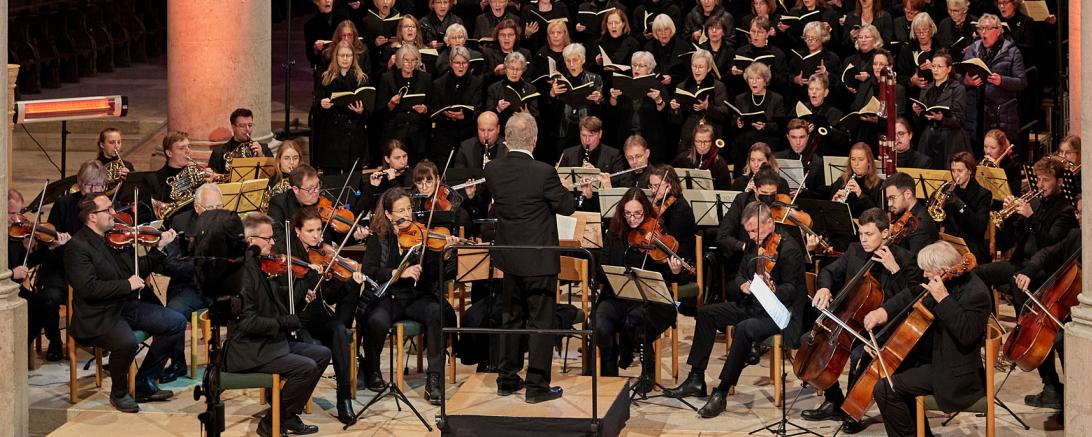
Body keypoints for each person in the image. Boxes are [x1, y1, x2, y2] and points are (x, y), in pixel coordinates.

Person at [664, 201, 807, 418]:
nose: (750, 236)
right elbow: (739, 275)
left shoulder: (790, 249)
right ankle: (696, 379)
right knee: (706, 313)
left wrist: (772, 288)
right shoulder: (754, 243)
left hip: (781, 314)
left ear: (770, 222)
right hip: (754, 305)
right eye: (747, 231)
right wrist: (742, 284)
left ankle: (721, 392)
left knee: (743, 328)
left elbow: (792, 290)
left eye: (753, 230)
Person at [801, 208, 922, 433]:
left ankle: (852, 410)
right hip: (853, 321)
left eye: (869, 234)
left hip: (886, 329)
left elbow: (910, 298)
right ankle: (835, 400)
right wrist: (825, 287)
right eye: (861, 234)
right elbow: (828, 270)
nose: (863, 240)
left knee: (858, 355)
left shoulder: (905, 259)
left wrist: (894, 270)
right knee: (809, 340)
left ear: (885, 233)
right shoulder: (855, 251)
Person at [484, 112, 576, 403]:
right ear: (534, 141)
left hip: (510, 259)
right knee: (540, 323)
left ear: (506, 140)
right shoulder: (543, 172)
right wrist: (568, 189)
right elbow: (567, 206)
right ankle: (536, 387)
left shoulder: (493, 170)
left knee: (511, 318)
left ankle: (506, 379)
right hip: (538, 260)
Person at [65, 193, 185, 412]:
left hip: (125, 306)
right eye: (108, 209)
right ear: (92, 216)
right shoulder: (77, 247)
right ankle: (119, 393)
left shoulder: (115, 238)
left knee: (176, 322)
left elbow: (136, 269)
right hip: (98, 314)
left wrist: (158, 249)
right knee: (127, 342)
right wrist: (126, 286)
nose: (114, 213)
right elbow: (88, 289)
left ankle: (144, 381)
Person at [863, 241, 991, 437]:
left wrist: (943, 299)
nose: (924, 275)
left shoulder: (977, 293)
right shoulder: (947, 279)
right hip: (937, 357)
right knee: (892, 371)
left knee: (886, 389)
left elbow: (966, 335)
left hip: (956, 373)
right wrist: (883, 311)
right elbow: (911, 293)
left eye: (927, 271)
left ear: (943, 270)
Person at [224, 211, 330, 437]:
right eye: (268, 238)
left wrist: (303, 284)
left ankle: (288, 415)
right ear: (251, 241)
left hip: (269, 343)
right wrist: (285, 322)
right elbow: (247, 323)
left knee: (321, 354)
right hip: (249, 349)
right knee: (306, 367)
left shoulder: (260, 266)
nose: (273, 242)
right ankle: (272, 423)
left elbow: (277, 297)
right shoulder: (242, 273)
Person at [358, 187, 459, 404]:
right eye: (400, 210)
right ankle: (372, 369)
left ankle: (434, 380)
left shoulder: (421, 235)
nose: (407, 214)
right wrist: (396, 272)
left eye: (408, 208)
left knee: (436, 312)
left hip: (416, 296)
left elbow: (433, 276)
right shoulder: (379, 238)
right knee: (376, 320)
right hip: (389, 297)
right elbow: (369, 270)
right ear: (388, 214)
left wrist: (445, 255)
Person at [275, 207, 369, 422]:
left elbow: (331, 296)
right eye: (310, 231)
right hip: (296, 317)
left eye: (319, 229)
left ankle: (343, 398)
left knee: (339, 331)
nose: (317, 235)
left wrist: (350, 283)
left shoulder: (322, 255)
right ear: (297, 231)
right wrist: (306, 282)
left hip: (317, 314)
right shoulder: (288, 253)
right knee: (315, 350)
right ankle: (289, 406)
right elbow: (283, 295)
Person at [976, 157, 1076, 312]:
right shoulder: (1035, 203)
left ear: (1060, 182)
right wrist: (1009, 218)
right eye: (1038, 179)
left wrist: (1031, 217)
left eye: (1046, 180)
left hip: (1044, 268)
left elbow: (1049, 244)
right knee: (978, 273)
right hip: (1021, 262)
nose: (1040, 185)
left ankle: (1021, 327)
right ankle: (989, 320)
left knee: (1016, 282)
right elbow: (1006, 243)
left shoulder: (1065, 211)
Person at [1012, 198, 1080, 412]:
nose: (1077, 217)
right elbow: (1048, 252)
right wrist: (1029, 271)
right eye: (1077, 212)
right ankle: (1055, 388)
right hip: (1072, 305)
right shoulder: (1077, 235)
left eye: (1081, 213)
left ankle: (1078, 393)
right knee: (1049, 334)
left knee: (1060, 337)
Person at [9, 189, 71, 361]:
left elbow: (28, 263)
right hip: (4, 291)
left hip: (16, 290)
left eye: (19, 213)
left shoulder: (16, 235)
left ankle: (19, 348)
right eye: (11, 213)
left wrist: (51, 247)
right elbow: (10, 268)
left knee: (46, 304)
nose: (17, 219)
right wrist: (12, 272)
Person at [961, 13, 1027, 144]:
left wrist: (1001, 80)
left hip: (999, 114)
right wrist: (966, 81)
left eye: (987, 28)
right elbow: (958, 76)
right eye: (980, 28)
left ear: (998, 31)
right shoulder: (972, 50)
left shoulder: (1012, 51)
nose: (983, 32)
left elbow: (1021, 82)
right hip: (975, 113)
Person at [315, 41, 370, 175]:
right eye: (342, 55)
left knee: (353, 180)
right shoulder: (326, 78)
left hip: (354, 135)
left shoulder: (361, 79)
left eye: (348, 56)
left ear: (354, 57)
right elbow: (316, 107)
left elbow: (369, 110)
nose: (345, 59)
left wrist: (362, 111)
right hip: (332, 136)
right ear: (336, 57)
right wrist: (322, 105)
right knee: (331, 180)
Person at [606, 51, 670, 159]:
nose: (636, 68)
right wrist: (613, 98)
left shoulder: (657, 86)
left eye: (641, 66)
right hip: (626, 138)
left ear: (649, 69)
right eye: (634, 65)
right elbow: (613, 113)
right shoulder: (623, 83)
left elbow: (665, 114)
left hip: (650, 139)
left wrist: (658, 100)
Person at [430, 46, 485, 165]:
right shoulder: (438, 83)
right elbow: (434, 110)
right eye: (457, 63)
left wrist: (464, 117)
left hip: (467, 133)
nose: (461, 66)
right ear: (450, 63)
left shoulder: (477, 83)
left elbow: (479, 109)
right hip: (445, 134)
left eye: (464, 63)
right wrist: (445, 114)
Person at [376, 45, 433, 161]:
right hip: (395, 133)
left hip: (418, 134)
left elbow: (432, 105)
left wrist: (425, 109)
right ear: (399, 61)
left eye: (413, 60)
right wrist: (391, 104)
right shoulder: (388, 78)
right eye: (406, 60)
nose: (410, 64)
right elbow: (379, 111)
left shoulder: (425, 78)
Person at [913, 50, 970, 164]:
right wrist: (917, 112)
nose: (935, 69)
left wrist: (942, 119)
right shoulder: (926, 89)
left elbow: (959, 119)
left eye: (939, 66)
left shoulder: (958, 89)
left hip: (951, 139)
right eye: (933, 66)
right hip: (929, 137)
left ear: (948, 69)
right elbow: (919, 122)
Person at [669, 50, 729, 153]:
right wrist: (675, 109)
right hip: (688, 138)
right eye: (694, 66)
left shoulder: (718, 86)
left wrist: (708, 107)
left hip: (711, 138)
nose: (696, 70)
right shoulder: (682, 86)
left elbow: (724, 114)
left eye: (700, 67)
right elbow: (676, 121)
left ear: (709, 68)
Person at [939, 151, 992, 264]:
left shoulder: (983, 194)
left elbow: (979, 228)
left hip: (972, 246)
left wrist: (959, 204)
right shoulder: (949, 189)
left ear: (970, 171)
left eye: (960, 171)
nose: (956, 175)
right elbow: (942, 220)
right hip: (950, 243)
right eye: (953, 171)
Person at [882, 171, 940, 254]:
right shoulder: (903, 215)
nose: (889, 204)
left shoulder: (920, 224)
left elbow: (915, 263)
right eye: (888, 199)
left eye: (892, 198)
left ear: (908, 194)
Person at [208, 108, 273, 177]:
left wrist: (261, 156)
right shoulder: (219, 153)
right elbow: (211, 177)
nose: (247, 129)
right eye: (242, 126)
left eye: (250, 125)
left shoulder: (263, 148)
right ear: (233, 127)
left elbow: (273, 174)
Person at [774, 118, 828, 199]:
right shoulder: (777, 158)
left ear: (808, 137)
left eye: (802, 137)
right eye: (793, 137)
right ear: (788, 137)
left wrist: (803, 192)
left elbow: (823, 194)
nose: (798, 142)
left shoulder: (817, 162)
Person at [671, 123, 733, 190]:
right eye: (698, 141)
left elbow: (726, 189)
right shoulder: (682, 159)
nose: (702, 146)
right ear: (693, 142)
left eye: (706, 142)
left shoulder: (720, 163)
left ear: (712, 142)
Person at [557, 116, 626, 174]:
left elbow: (620, 182)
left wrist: (596, 174)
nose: (587, 140)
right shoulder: (568, 154)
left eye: (591, 136)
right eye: (583, 135)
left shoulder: (613, 155)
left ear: (600, 134)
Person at [830, 142, 884, 217]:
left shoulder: (879, 184)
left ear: (869, 162)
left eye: (861, 160)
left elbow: (878, 215)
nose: (856, 164)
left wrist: (861, 195)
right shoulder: (842, 181)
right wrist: (834, 203)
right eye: (853, 159)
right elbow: (830, 212)